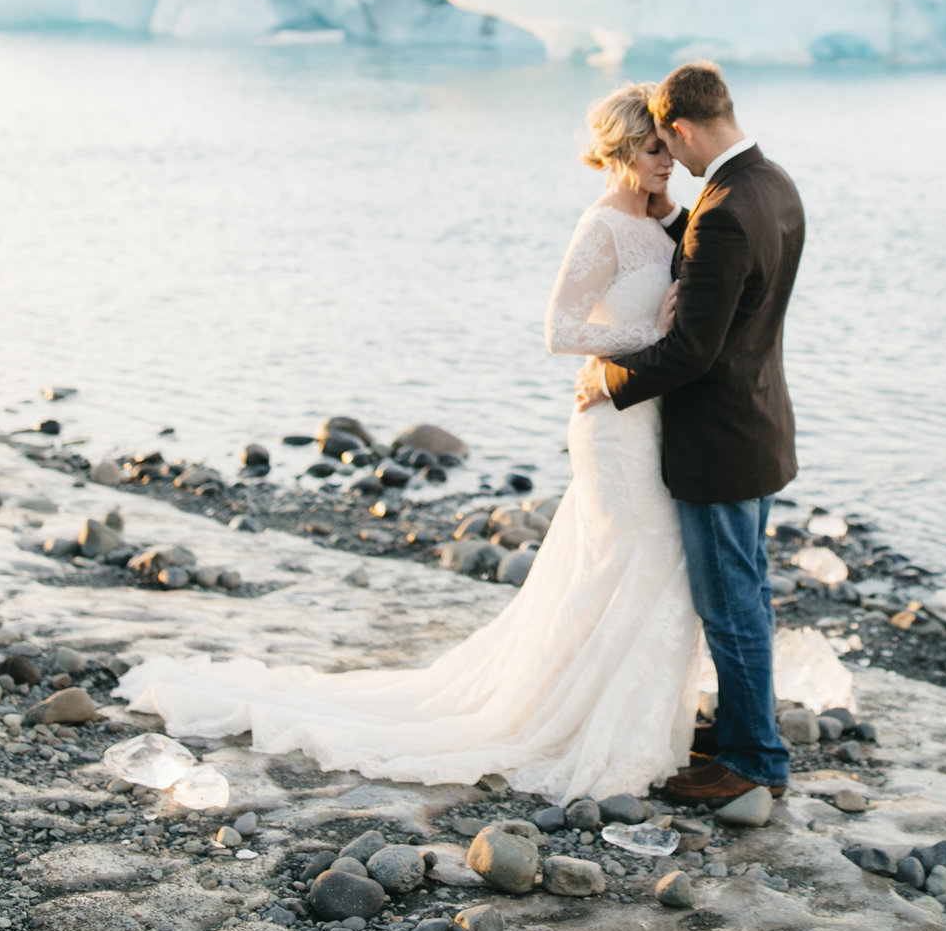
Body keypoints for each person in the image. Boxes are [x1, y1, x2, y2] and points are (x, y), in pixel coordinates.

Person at [114, 82, 708, 801]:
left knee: (637, 568)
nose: (667, 161)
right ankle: (577, 722)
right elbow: (560, 329)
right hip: (610, 426)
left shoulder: (659, 214)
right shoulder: (602, 225)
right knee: (628, 562)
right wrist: (649, 336)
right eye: (653, 151)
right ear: (619, 152)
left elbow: (691, 244)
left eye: (669, 149)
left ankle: (623, 719)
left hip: (647, 417)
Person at [580, 60, 805, 806]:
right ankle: (747, 729)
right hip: (761, 424)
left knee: (730, 603)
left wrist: (608, 380)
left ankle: (752, 760)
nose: (671, 161)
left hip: (719, 442)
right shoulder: (776, 186)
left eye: (670, 146)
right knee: (749, 593)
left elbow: (692, 351)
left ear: (679, 127)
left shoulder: (725, 208)